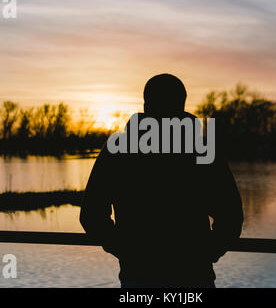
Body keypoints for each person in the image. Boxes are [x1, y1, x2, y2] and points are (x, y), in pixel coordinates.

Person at [80, 73, 243, 288]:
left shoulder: (118, 149)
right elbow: (230, 215)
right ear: (182, 105)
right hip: (193, 276)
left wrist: (126, 250)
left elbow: (91, 215)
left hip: (139, 277)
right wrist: (207, 253)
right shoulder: (201, 151)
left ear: (146, 105)